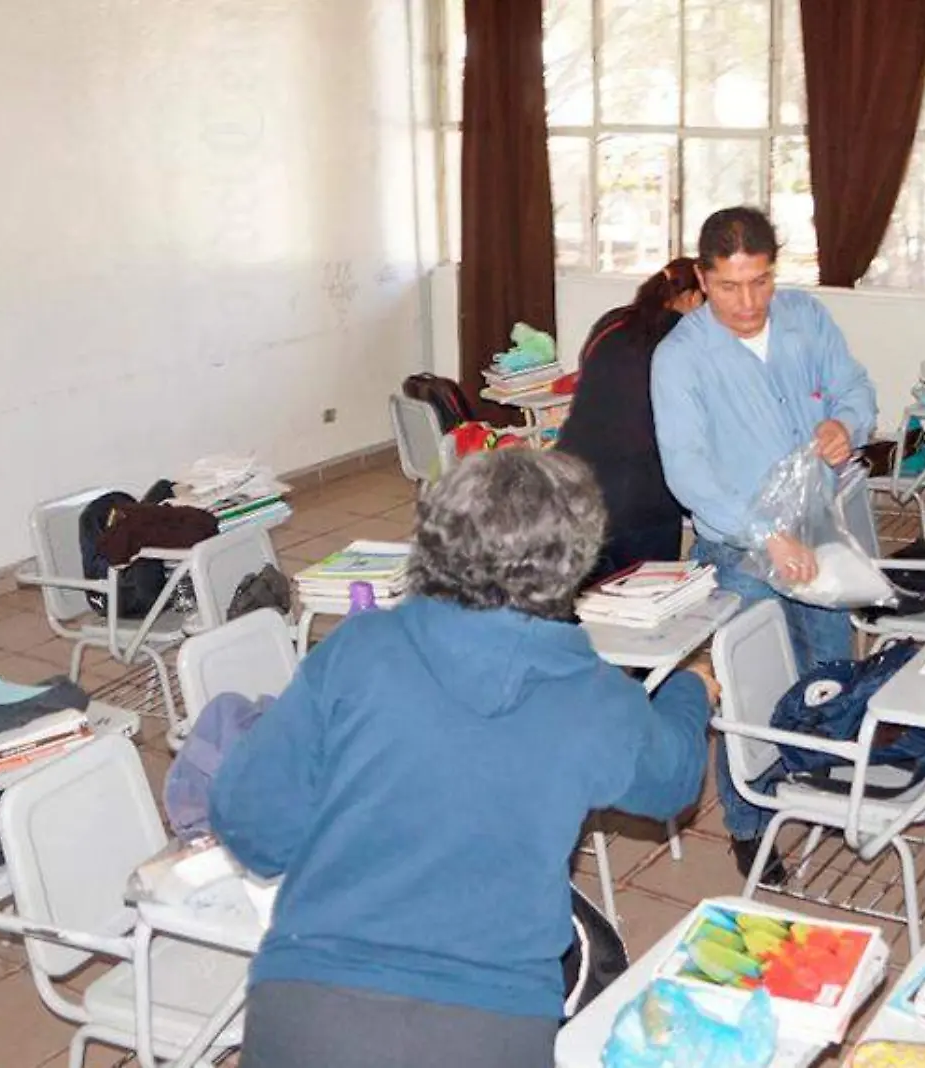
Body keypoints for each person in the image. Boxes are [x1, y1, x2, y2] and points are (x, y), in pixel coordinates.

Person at [209, 450, 715, 1068]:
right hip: (487, 1028)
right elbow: (672, 781)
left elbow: (253, 825)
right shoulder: (593, 696)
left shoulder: (359, 648)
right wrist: (690, 690)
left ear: (435, 542)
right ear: (575, 562)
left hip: (307, 1013)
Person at [649, 205, 877, 880]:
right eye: (728, 287)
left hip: (817, 530)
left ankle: (820, 789)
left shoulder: (806, 319)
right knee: (748, 686)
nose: (747, 303)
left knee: (828, 672)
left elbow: (855, 388)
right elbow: (687, 469)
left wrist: (847, 423)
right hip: (738, 546)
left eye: (760, 282)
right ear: (702, 277)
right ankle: (750, 826)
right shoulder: (680, 357)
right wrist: (764, 535)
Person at [558, 258, 705, 584]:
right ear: (693, 298)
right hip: (642, 499)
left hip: (572, 482)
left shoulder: (610, 322)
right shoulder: (686, 341)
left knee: (584, 597)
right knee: (642, 607)